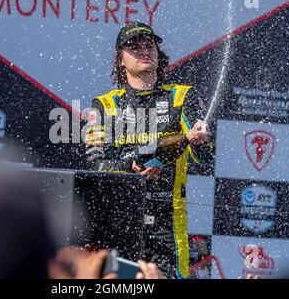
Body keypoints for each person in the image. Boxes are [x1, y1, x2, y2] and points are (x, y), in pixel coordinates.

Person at [85, 22, 213, 278]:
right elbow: (95, 165)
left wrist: (200, 139)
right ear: (120, 59)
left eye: (149, 45)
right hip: (118, 219)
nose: (143, 50)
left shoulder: (181, 97)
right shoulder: (103, 105)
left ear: (158, 53)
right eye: (134, 47)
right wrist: (129, 167)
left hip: (168, 219)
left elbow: (205, 158)